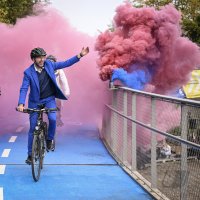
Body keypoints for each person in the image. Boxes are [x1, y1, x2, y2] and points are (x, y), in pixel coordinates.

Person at [17, 47, 89, 164]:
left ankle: (49, 139)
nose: (42, 59)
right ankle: (30, 155)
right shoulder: (28, 72)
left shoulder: (50, 65)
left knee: (53, 119)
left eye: (43, 57)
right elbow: (24, 88)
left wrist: (80, 55)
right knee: (32, 128)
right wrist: (21, 103)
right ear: (33, 59)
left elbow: (66, 63)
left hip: (49, 99)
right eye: (39, 57)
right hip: (34, 102)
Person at [47, 55, 70, 126]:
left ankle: (58, 117)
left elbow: (64, 82)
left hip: (56, 93)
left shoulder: (60, 71)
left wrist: (66, 93)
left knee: (58, 105)